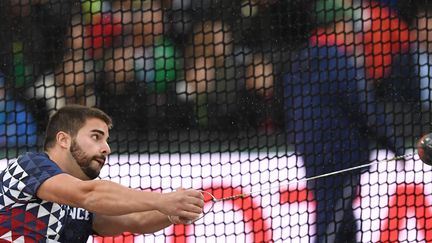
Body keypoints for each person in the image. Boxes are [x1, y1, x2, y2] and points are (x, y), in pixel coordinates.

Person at [0, 104, 204, 242]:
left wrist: (172, 213)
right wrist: (162, 200)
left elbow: (135, 220)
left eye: (106, 139)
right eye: (96, 137)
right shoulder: (30, 166)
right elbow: (88, 194)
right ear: (63, 140)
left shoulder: (80, 205)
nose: (106, 148)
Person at [283, 43, 409, 242]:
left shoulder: (301, 62)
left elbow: (291, 109)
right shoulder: (342, 63)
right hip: (342, 155)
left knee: (340, 216)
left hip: (313, 154)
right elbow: (366, 110)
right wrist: (394, 145)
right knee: (333, 219)